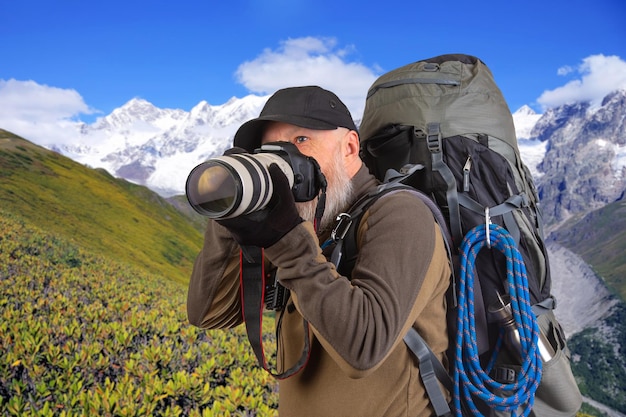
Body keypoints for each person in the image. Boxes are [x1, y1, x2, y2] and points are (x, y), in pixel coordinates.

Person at [187, 86, 451, 416]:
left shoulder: (401, 214)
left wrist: (288, 240)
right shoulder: (310, 220)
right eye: (271, 148)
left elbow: (364, 347)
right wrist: (232, 212)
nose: (285, 159)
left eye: (300, 141)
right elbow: (208, 313)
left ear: (350, 148)